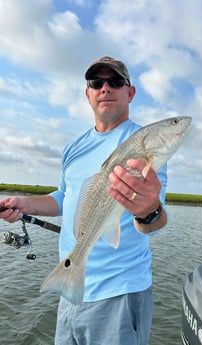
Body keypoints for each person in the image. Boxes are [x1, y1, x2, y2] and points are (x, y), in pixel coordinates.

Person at [0, 56, 168, 345]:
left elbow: (154, 221)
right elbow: (64, 197)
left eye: (115, 82)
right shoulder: (73, 147)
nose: (106, 88)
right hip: (71, 287)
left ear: (130, 93)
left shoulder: (143, 145)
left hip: (119, 294)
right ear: (87, 93)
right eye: (96, 82)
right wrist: (25, 204)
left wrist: (149, 210)